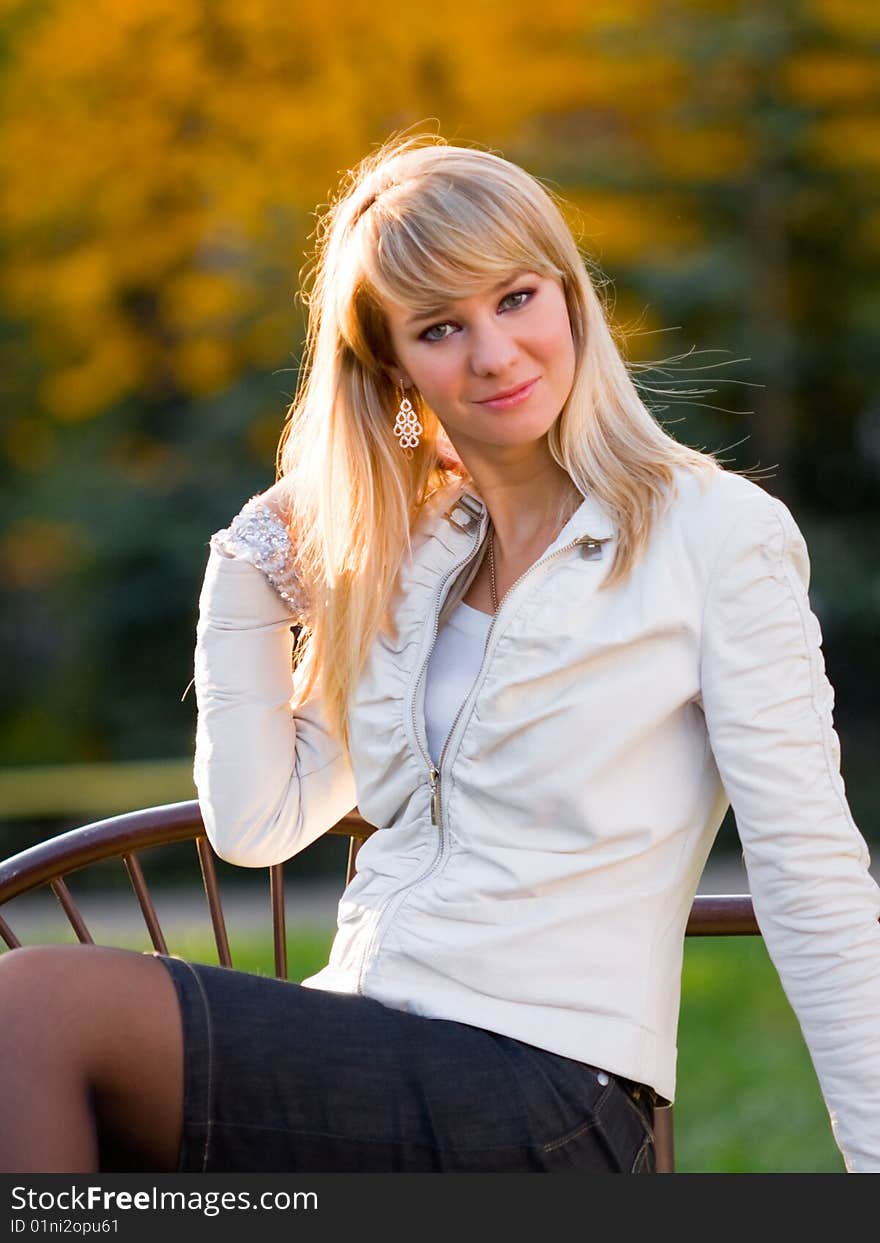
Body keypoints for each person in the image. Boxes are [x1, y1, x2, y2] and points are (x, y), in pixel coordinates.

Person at [1, 132, 878, 1175]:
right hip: (373, 1047)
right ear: (391, 369)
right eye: (439, 327)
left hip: (551, 1090)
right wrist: (245, 573)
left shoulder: (713, 533)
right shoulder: (415, 563)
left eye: (514, 298)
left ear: (568, 296)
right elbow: (256, 822)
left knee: (36, 1009)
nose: (495, 352)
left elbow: (810, 872)